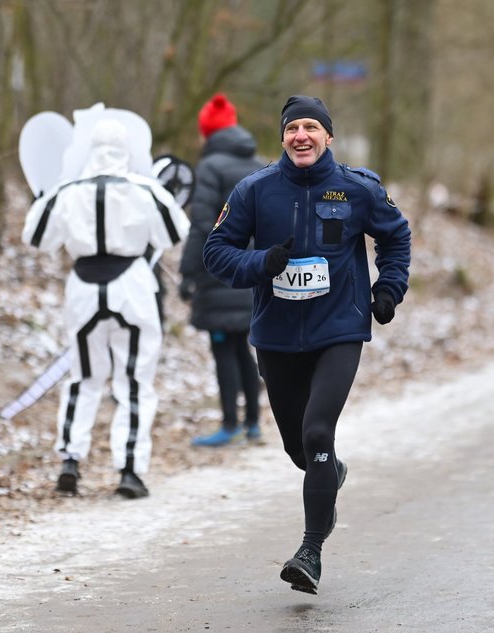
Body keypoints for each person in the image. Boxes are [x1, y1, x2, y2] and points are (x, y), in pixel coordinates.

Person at [203, 95, 411, 595]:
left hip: (339, 329)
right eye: (293, 127)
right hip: (275, 336)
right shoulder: (254, 191)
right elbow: (216, 251)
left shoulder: (358, 189)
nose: (302, 135)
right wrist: (259, 265)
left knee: (318, 432)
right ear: (282, 138)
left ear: (328, 137)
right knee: (301, 449)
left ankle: (310, 552)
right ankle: (329, 471)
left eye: (311, 127)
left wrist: (388, 289)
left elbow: (396, 236)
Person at [22, 117, 189, 499]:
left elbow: (35, 236)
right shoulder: (145, 189)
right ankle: (129, 469)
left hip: (83, 288)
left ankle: (70, 461)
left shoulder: (66, 190)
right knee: (133, 380)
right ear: (128, 150)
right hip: (130, 287)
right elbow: (174, 231)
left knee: (84, 377)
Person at [179, 94, 264, 447]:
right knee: (243, 345)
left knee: (223, 348)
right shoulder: (259, 165)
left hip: (220, 273)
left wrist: (188, 273)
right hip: (254, 271)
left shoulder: (210, 168)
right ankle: (254, 423)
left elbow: (202, 227)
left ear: (208, 133)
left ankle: (229, 424)